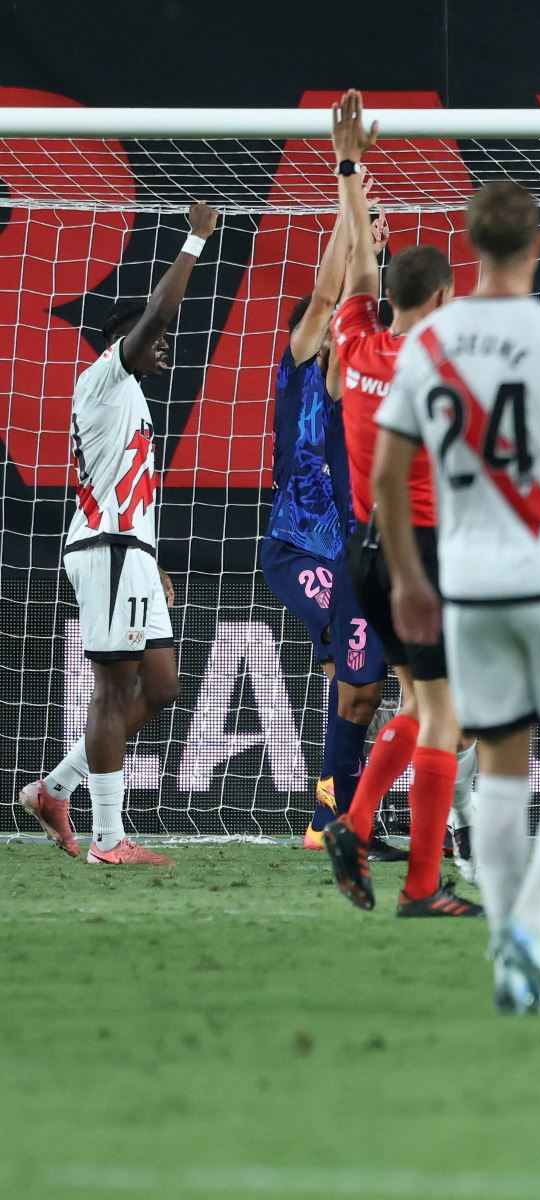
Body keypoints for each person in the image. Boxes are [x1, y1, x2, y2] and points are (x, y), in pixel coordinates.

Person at [376, 179, 540, 1012]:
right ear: (538, 243)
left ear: (470, 247)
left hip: (471, 583)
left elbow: (385, 478)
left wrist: (412, 581)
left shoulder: (430, 342)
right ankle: (529, 921)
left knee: (499, 761)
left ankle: (505, 959)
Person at [16, 202, 218, 865]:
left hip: (130, 551)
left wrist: (151, 557)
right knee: (112, 691)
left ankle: (56, 788)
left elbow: (130, 488)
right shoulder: (104, 378)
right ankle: (107, 839)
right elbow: (157, 312)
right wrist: (194, 238)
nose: (165, 345)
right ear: (125, 338)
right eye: (155, 338)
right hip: (104, 551)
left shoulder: (131, 400)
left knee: (161, 688)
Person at [317, 90, 476, 917]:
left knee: (416, 703)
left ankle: (354, 818)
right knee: (445, 713)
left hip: (366, 552)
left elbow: (358, 280)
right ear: (444, 302)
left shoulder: (358, 339)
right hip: (422, 553)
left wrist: (351, 174)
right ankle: (420, 885)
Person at [260, 190, 392, 851]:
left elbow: (358, 312)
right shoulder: (298, 370)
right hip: (294, 548)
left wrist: (372, 248)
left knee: (354, 676)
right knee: (353, 670)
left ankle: (334, 809)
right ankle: (334, 812)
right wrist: (351, 223)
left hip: (349, 551)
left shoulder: (358, 383)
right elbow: (322, 299)